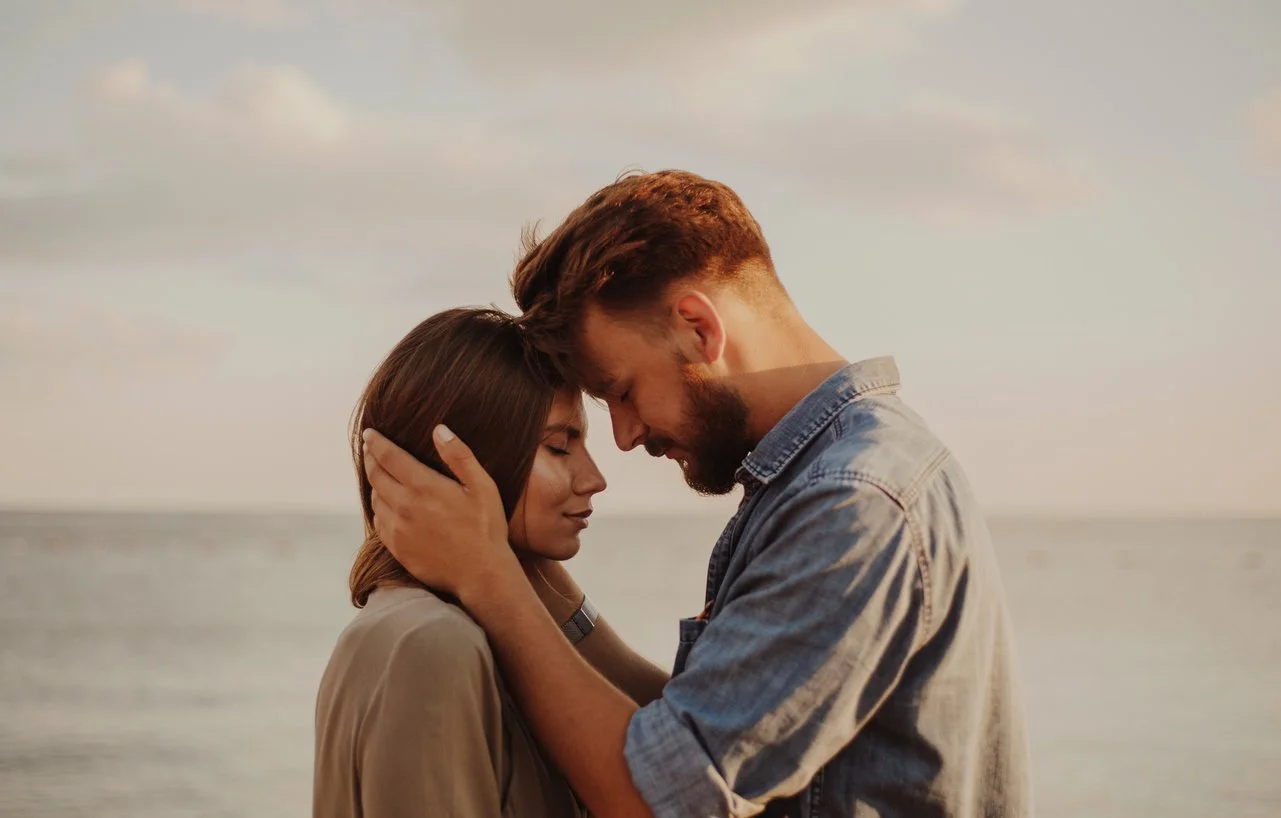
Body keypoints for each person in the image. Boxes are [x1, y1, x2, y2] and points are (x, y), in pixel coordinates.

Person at [361, 170, 1033, 817]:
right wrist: (539, 588)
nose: (622, 438)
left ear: (697, 327)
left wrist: (488, 579)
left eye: (620, 391)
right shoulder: (831, 473)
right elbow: (698, 729)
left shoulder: (851, 501)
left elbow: (662, 801)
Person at [314, 307, 661, 818]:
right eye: (560, 447)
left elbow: (687, 758)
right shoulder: (427, 644)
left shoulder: (480, 631)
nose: (595, 479)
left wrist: (511, 570)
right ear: (467, 460)